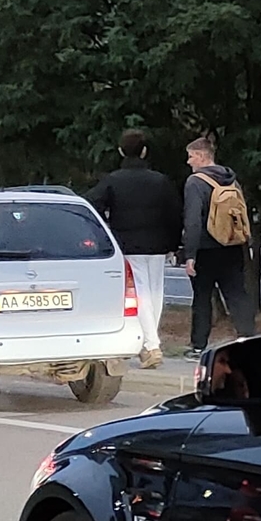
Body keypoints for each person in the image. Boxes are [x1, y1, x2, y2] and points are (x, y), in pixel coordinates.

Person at [87, 129, 182, 366]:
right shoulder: (160, 180)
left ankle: (151, 345)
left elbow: (91, 202)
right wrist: (173, 244)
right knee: (155, 293)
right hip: (158, 245)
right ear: (145, 151)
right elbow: (175, 214)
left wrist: (107, 231)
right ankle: (149, 344)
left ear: (120, 151)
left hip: (128, 245)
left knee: (140, 294)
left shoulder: (113, 180)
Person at [180, 135, 254, 353]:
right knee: (237, 295)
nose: (189, 162)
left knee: (202, 299)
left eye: (191, 156)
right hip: (232, 246)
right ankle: (248, 339)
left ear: (202, 156)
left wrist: (189, 254)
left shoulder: (195, 182)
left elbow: (192, 219)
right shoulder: (231, 179)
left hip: (206, 248)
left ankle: (198, 346)